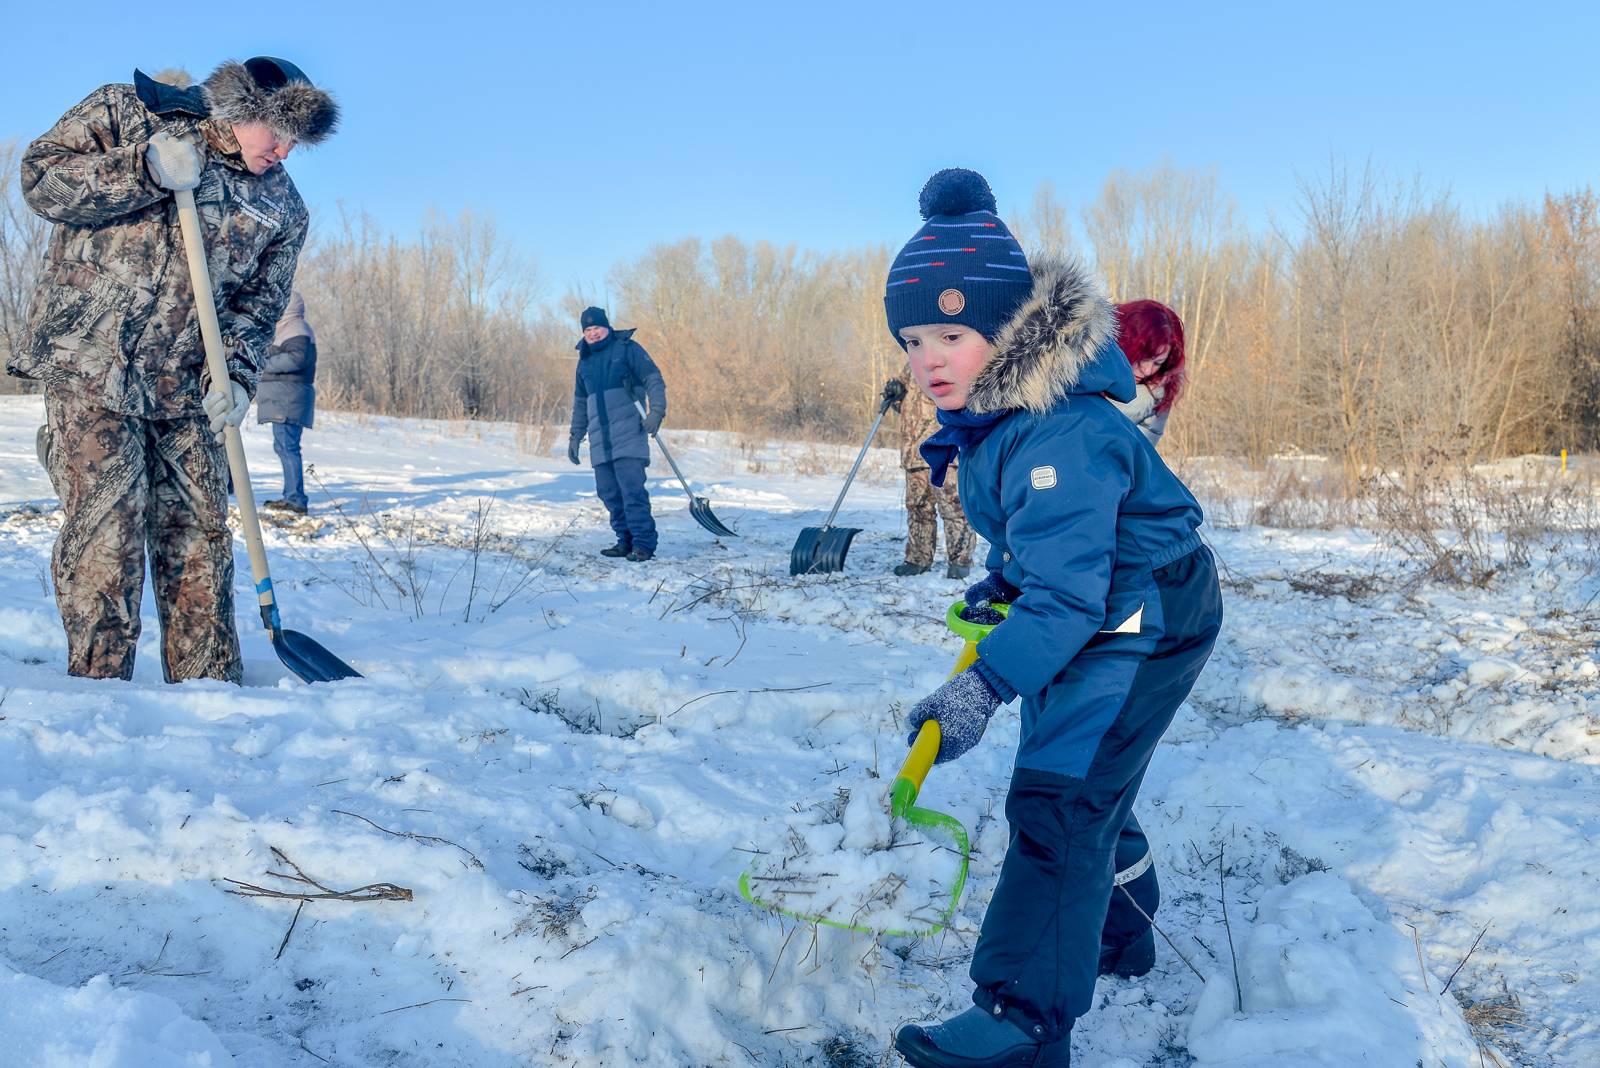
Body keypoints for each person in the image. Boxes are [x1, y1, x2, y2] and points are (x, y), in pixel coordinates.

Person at [884, 169, 1223, 1068]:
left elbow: (1075, 589)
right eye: (913, 338)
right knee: (1089, 776)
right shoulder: (999, 419)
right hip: (1109, 597)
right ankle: (1119, 937)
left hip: (1143, 609)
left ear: (1007, 329)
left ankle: (1021, 1023)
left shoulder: (1057, 432)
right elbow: (1052, 548)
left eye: (952, 333)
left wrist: (986, 683)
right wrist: (1008, 581)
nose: (929, 358)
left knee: (1059, 796)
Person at [8, 57, 338, 683]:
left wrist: (239, 378)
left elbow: (258, 305)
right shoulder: (132, 115)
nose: (286, 152)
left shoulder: (283, 207)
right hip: (93, 366)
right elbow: (40, 180)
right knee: (108, 535)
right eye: (279, 133)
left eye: (298, 141)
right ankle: (101, 690)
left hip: (191, 386)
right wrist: (143, 169)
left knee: (202, 536)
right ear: (244, 112)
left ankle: (209, 693)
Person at [567, 307, 667, 562]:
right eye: (587, 330)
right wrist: (575, 436)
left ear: (607, 327)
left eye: (596, 328)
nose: (593, 334)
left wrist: (656, 411)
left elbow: (653, 379)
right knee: (608, 493)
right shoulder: (585, 361)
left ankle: (643, 544)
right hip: (601, 441)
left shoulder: (627, 349)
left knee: (632, 491)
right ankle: (625, 541)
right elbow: (580, 403)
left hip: (629, 435)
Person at [894, 365, 976, 578]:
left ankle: (960, 563)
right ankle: (917, 560)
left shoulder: (948, 361)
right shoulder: (910, 365)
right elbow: (900, 402)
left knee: (954, 509)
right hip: (914, 450)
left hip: (945, 447)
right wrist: (893, 392)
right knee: (918, 508)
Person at [257, 290, 318, 515]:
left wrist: (262, 364)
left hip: (287, 399)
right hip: (284, 398)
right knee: (284, 447)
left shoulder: (295, 329)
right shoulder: (288, 329)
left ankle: (295, 499)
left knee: (287, 448)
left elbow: (297, 359)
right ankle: (291, 496)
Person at [1110, 300, 1186, 448]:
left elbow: (1136, 460)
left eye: (1157, 363)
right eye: (1142, 358)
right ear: (1122, 345)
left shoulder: (1157, 395)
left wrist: (1143, 401)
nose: (1147, 370)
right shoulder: (1077, 372)